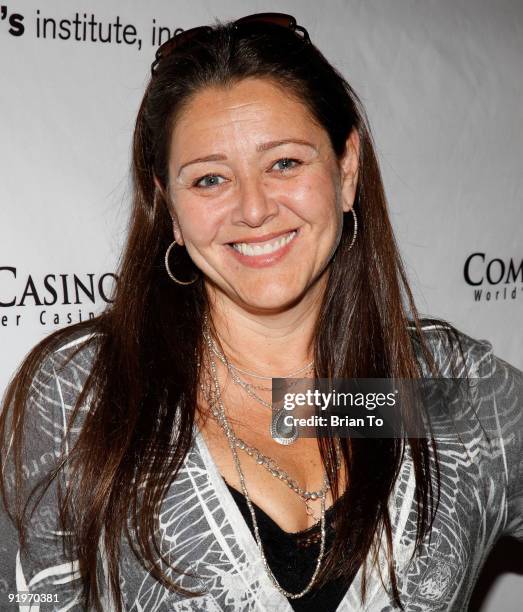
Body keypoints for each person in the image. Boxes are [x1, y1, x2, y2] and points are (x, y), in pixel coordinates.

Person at [0, 12, 522, 612]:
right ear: (168, 206)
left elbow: (301, 409)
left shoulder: (440, 390)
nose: (253, 209)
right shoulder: (81, 396)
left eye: (285, 164)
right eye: (210, 179)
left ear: (346, 171)